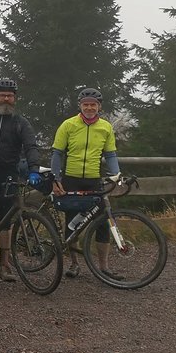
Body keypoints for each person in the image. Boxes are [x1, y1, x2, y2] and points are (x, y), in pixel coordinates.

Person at [0, 78, 42, 282]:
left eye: (10, 96)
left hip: (8, 176)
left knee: (6, 222)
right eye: (1, 95)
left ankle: (4, 265)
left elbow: (31, 147)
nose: (6, 99)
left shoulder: (21, 123)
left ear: (15, 99)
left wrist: (34, 170)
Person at [50, 87, 121, 277]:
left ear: (99, 106)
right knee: (72, 224)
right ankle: (74, 264)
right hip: (71, 179)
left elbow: (110, 154)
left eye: (93, 105)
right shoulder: (68, 125)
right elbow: (57, 153)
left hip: (93, 180)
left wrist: (116, 175)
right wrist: (56, 179)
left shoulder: (106, 127)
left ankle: (104, 267)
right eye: (86, 105)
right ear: (80, 106)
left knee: (103, 223)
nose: (89, 108)